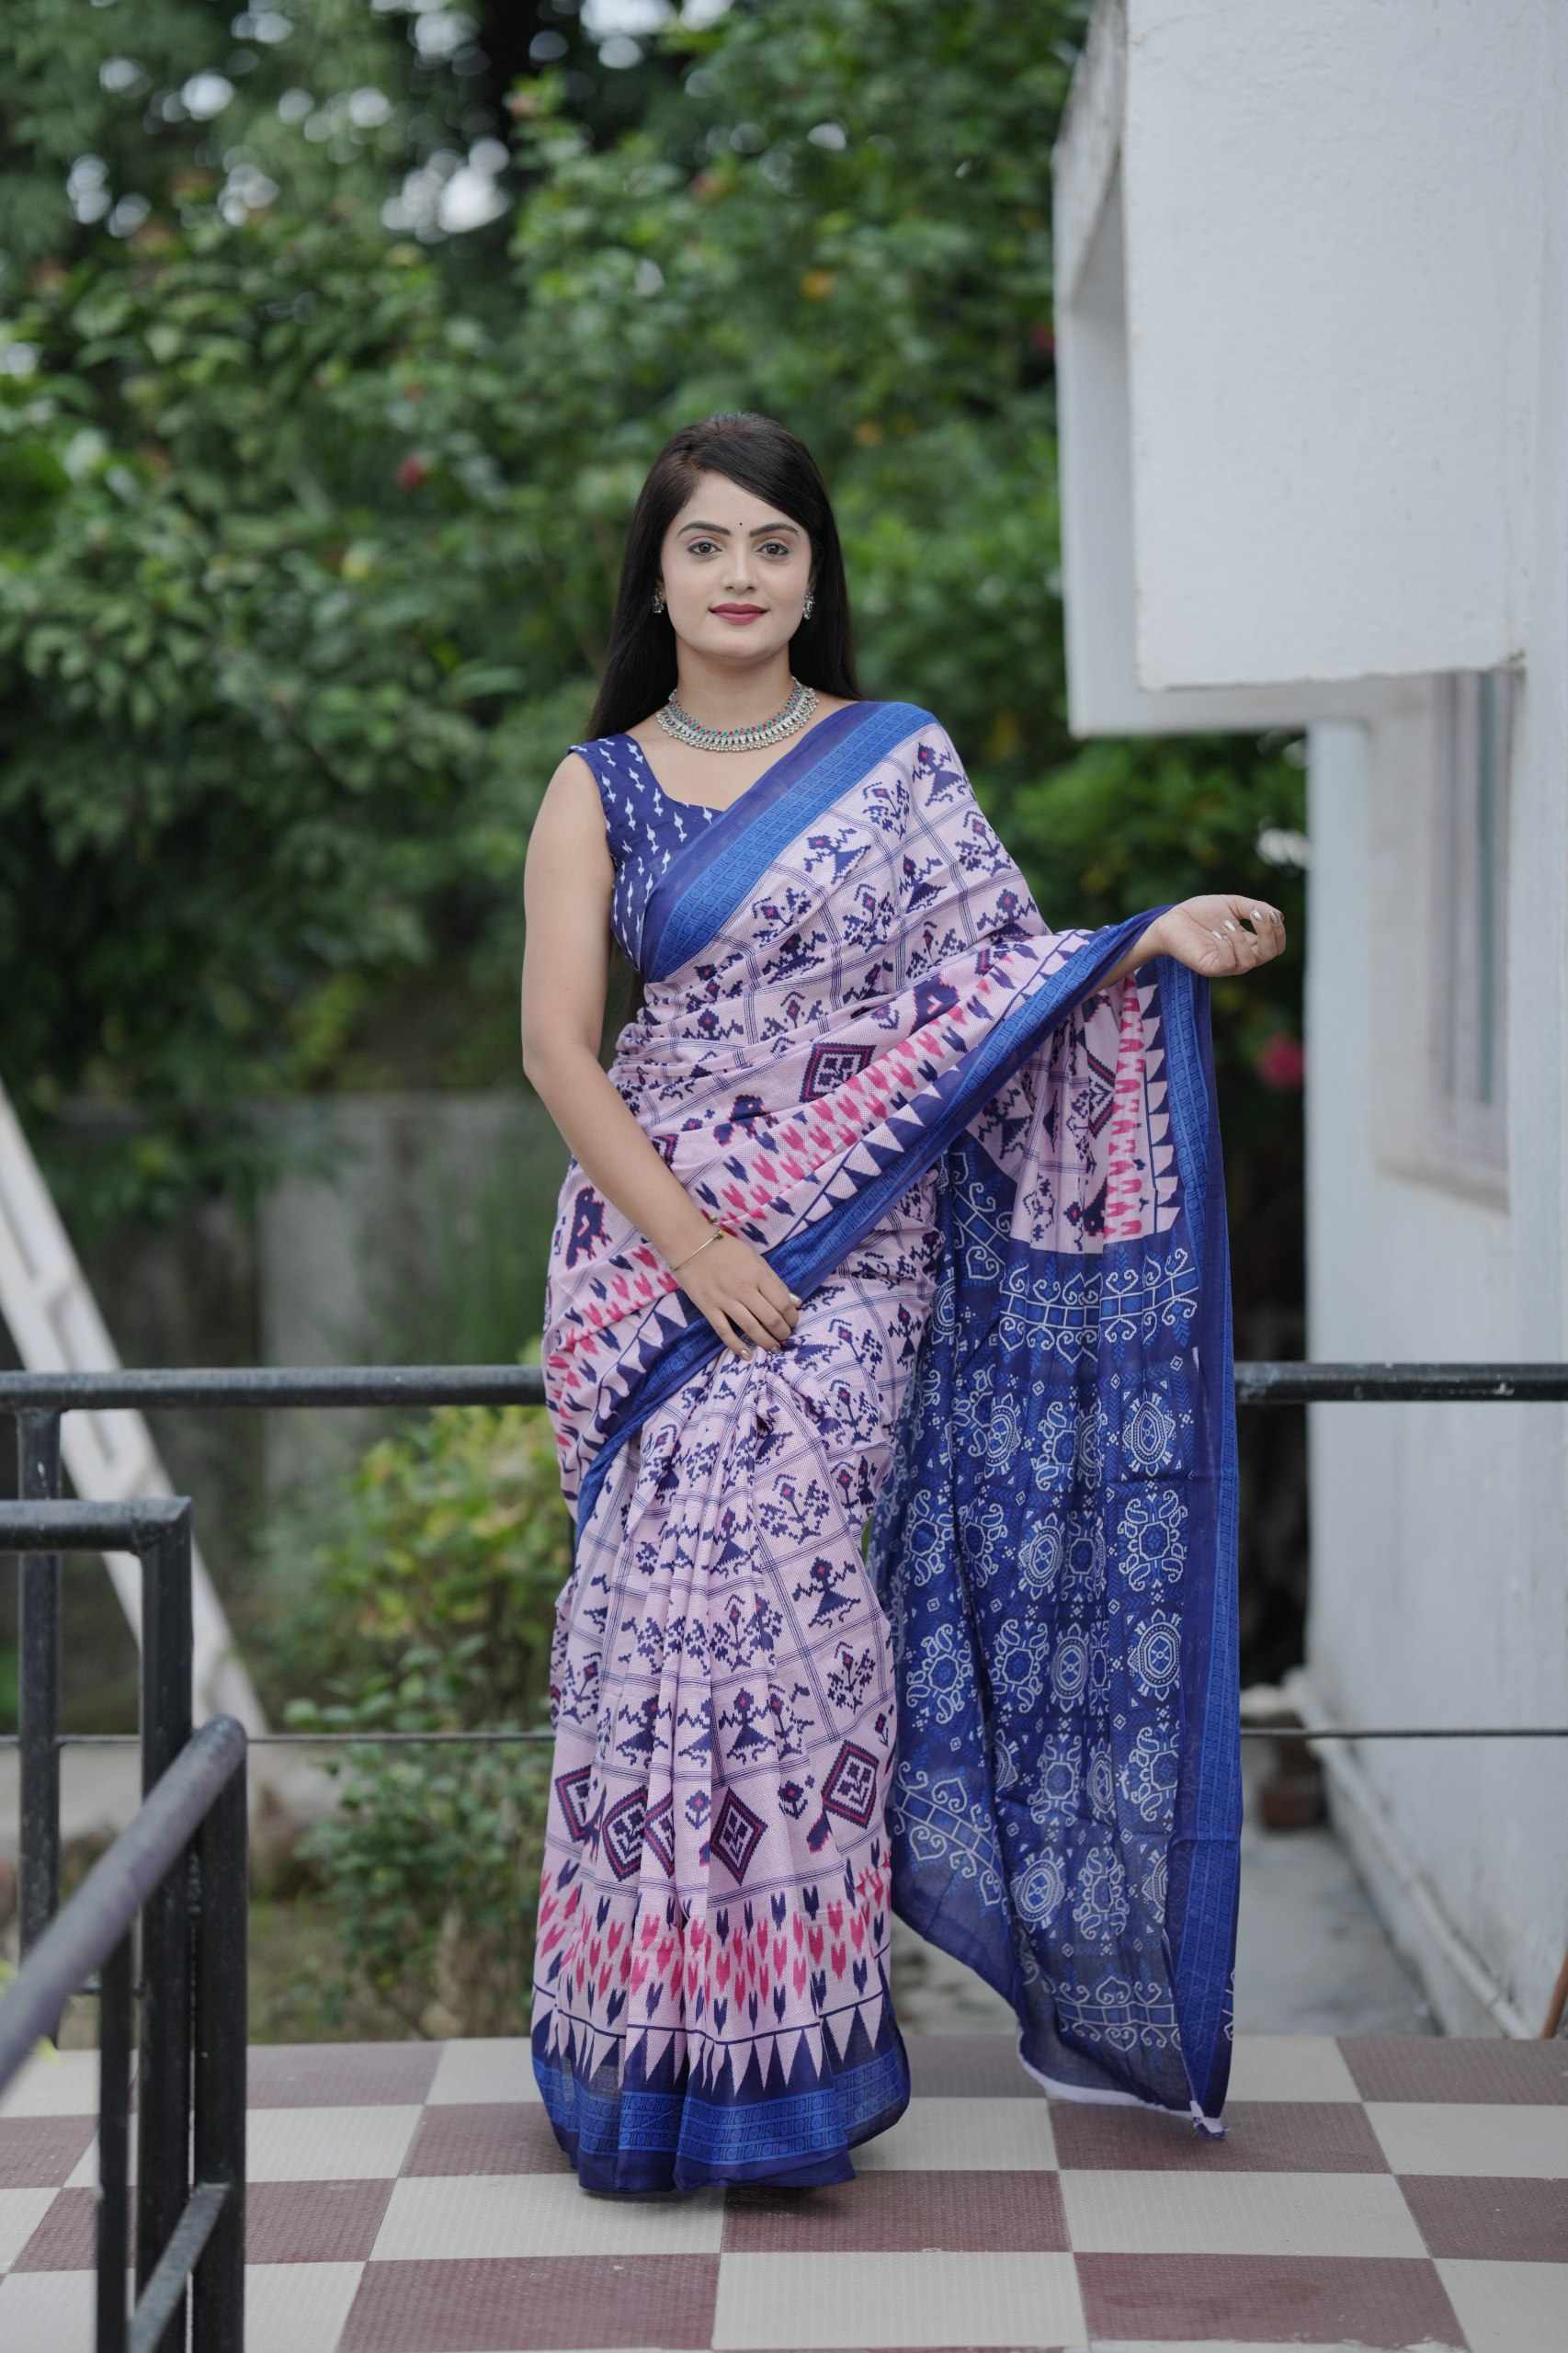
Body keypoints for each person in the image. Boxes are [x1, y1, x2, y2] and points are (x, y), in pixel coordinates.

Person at [519, 410, 1285, 2198]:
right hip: (651, 1262)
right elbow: (558, 1049)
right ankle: (640, 2058)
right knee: (649, 1638)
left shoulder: (896, 761)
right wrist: (694, 1246)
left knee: (791, 1619)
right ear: (655, 576)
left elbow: (993, 986)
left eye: (771, 545)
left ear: (812, 576)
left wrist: (1142, 941)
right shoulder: (597, 786)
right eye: (704, 543)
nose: (737, 574)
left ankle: (789, 2064)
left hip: (850, 1259)